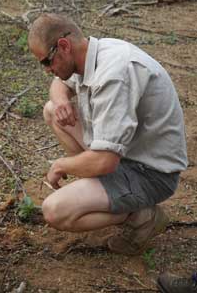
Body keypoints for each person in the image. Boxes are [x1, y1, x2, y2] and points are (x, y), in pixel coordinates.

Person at [27, 14, 187, 255]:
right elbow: (60, 85)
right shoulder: (88, 53)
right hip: (125, 154)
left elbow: (105, 160)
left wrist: (62, 165)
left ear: (63, 46)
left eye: (47, 62)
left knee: (55, 211)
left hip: (150, 173)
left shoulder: (114, 74)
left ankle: (141, 215)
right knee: (53, 111)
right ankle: (97, 191)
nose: (48, 70)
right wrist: (61, 101)